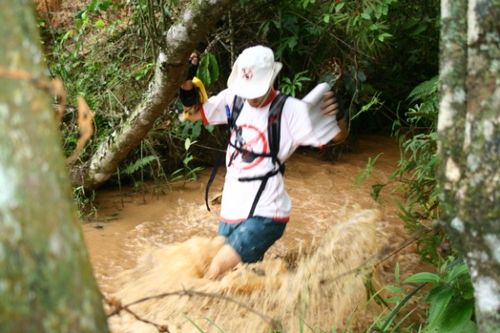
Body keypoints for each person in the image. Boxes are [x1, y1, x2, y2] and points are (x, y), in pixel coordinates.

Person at [179, 45, 345, 279]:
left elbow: (337, 136)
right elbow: (194, 113)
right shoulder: (234, 100)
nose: (251, 98)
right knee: (239, 276)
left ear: (271, 80)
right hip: (232, 209)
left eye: (256, 91)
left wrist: (339, 116)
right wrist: (186, 82)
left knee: (215, 270)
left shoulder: (292, 111)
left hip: (267, 213)